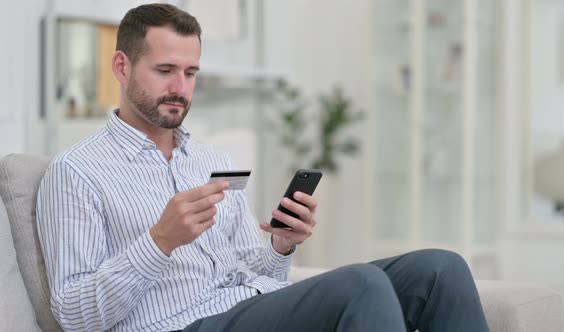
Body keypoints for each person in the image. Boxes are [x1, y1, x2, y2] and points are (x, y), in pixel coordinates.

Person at [36, 4, 490, 332]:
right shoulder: (77, 171)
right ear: (122, 66)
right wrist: (160, 242)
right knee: (361, 285)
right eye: (165, 70)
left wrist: (280, 246)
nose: (180, 87)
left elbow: (248, 272)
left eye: (191, 73)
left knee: (440, 270)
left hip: (250, 305)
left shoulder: (214, 162)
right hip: (179, 324)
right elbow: (75, 315)